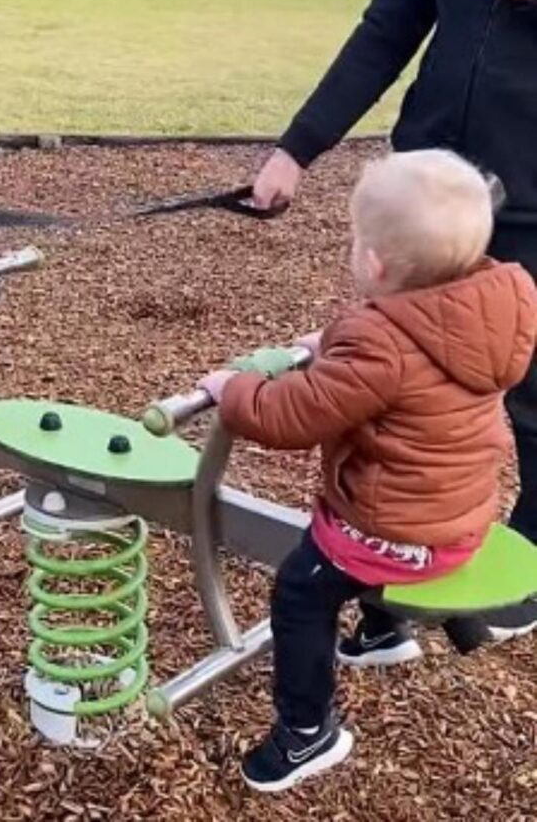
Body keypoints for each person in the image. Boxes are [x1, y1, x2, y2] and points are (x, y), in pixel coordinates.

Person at [251, 0, 537, 642]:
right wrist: (298, 147)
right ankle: (387, 591)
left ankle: (514, 577)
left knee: (519, 399)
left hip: (530, 205)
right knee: (388, 395)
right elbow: (386, 31)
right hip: (424, 194)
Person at [199, 150, 537, 793]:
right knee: (397, 494)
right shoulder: (499, 302)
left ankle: (307, 732)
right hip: (462, 516)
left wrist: (233, 389)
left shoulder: (378, 343)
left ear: (375, 264)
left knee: (303, 590)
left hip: (400, 533)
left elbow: (292, 417)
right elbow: (413, 357)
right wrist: (328, 347)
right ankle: (385, 630)